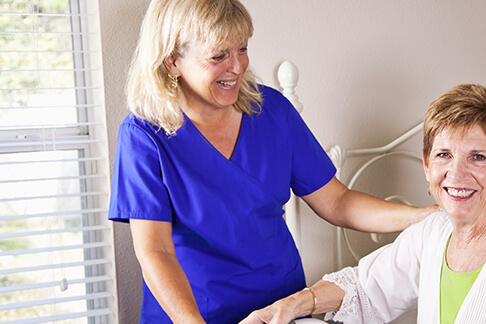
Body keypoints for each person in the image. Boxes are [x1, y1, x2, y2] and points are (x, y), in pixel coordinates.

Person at [107, 0, 436, 323]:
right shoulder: (143, 137)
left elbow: (337, 201)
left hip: (281, 309)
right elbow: (155, 252)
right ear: (172, 61)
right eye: (219, 56)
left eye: (242, 48)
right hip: (196, 314)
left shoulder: (273, 111)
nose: (237, 67)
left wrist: (421, 218)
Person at [240, 84, 486, 324]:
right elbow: (365, 287)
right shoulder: (434, 233)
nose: (457, 173)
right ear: (426, 164)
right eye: (444, 155)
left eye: (478, 157)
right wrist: (293, 304)